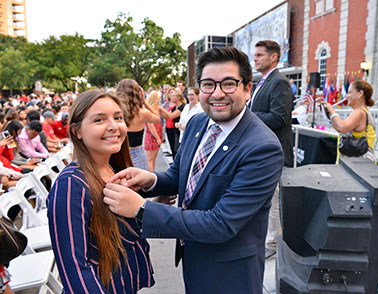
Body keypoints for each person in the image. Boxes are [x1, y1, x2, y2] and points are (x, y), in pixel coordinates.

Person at [103, 46, 284, 294]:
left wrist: (142, 209)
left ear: (247, 88)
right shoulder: (198, 122)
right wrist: (150, 180)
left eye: (228, 84)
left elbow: (221, 223)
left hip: (230, 273)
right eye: (208, 85)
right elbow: (180, 176)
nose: (217, 94)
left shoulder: (262, 147)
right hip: (194, 257)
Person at [46, 90, 155, 293]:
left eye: (118, 117)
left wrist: (148, 207)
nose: (113, 126)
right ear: (77, 131)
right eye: (99, 120)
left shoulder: (112, 168)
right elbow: (75, 269)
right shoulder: (71, 185)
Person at [249, 40, 293, 259]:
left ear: (273, 57)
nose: (254, 59)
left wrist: (246, 115)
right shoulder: (263, 81)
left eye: (259, 55)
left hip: (275, 153)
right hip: (261, 151)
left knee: (274, 200)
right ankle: (266, 238)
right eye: (254, 55)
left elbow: (279, 117)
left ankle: (273, 244)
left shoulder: (279, 82)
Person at [324, 80, 377, 162]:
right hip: (360, 161)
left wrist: (332, 111)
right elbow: (339, 128)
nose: (346, 96)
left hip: (359, 162)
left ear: (360, 94)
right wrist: (329, 115)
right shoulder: (363, 111)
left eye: (349, 92)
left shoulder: (359, 112)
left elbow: (342, 127)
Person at [116, 79, 160, 170]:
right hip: (137, 154)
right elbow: (157, 118)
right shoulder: (142, 113)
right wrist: (144, 101)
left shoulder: (115, 112)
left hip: (118, 153)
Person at [159, 88, 186, 158]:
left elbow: (171, 116)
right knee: (173, 149)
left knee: (177, 150)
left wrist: (160, 108)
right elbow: (167, 116)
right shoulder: (175, 107)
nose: (171, 97)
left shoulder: (182, 107)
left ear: (178, 97)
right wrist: (160, 111)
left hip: (178, 131)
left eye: (173, 96)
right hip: (173, 130)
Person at [144, 91, 163, 171]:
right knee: (150, 160)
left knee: (153, 160)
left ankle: (153, 174)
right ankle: (151, 179)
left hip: (156, 135)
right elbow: (151, 126)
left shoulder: (156, 108)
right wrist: (158, 138)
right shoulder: (149, 111)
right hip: (152, 136)